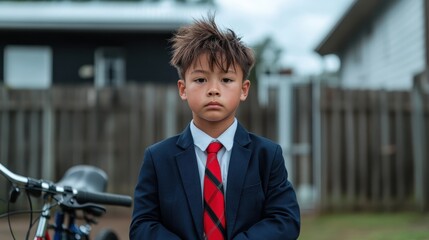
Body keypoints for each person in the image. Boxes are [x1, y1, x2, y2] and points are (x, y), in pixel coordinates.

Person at [129, 14, 300, 240]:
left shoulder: (267, 156)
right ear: (183, 89)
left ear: (244, 89)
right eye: (200, 80)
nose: (213, 90)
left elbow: (285, 220)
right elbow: (142, 225)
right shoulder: (158, 158)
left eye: (226, 80)